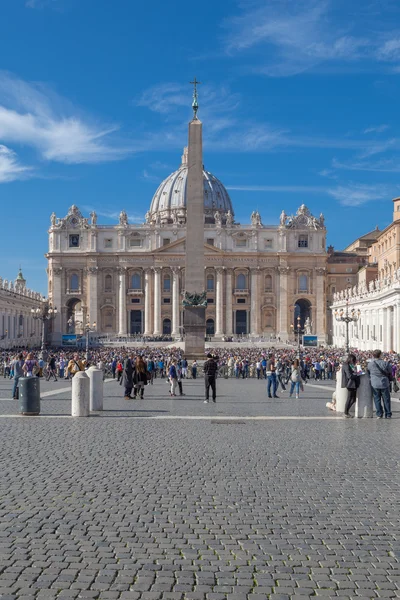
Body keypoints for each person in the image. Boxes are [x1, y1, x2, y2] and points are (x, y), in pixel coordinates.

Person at [367, 349, 392, 419]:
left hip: (374, 383)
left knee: (377, 399)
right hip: (384, 383)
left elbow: (368, 372)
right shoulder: (385, 363)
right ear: (380, 355)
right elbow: (390, 372)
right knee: (386, 399)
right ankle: (388, 414)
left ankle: (379, 414)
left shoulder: (370, 364)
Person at [341, 354, 360, 418]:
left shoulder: (349, 365)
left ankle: (346, 412)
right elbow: (349, 376)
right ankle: (345, 412)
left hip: (352, 383)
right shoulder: (346, 365)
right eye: (354, 360)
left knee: (353, 398)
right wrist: (357, 374)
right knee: (349, 398)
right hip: (350, 384)